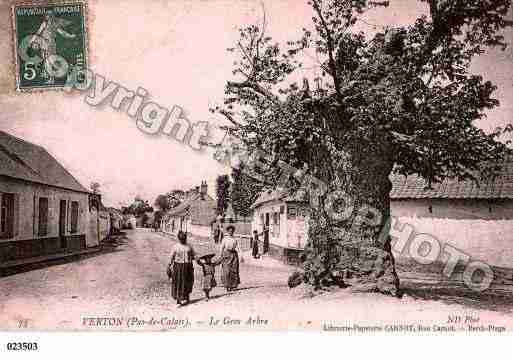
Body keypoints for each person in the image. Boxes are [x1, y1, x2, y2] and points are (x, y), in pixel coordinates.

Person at [169, 231, 196, 306]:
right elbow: (171, 257)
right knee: (179, 283)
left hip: (188, 266)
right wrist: (169, 265)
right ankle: (178, 300)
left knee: (188, 281)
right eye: (181, 239)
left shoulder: (189, 246)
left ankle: (187, 297)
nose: (183, 240)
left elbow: (194, 255)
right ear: (179, 239)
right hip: (178, 266)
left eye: (184, 238)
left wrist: (197, 260)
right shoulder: (175, 247)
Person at [218, 224, 240, 292]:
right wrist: (220, 255)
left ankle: (233, 285)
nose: (231, 232)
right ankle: (227, 285)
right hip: (226, 254)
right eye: (230, 231)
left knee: (234, 270)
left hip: (234, 254)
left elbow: (238, 248)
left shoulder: (235, 239)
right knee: (227, 270)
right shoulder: (225, 239)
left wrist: (241, 256)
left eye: (232, 231)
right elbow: (221, 248)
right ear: (227, 231)